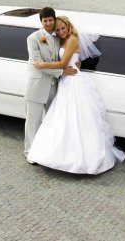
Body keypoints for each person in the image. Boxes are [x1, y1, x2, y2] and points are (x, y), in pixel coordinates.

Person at [27, 16, 125, 174]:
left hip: (74, 81)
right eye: (58, 29)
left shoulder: (72, 39)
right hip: (65, 80)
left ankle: (79, 157)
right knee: (63, 116)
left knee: (76, 117)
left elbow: (62, 63)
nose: (61, 31)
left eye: (63, 28)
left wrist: (42, 64)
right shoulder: (61, 40)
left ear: (69, 27)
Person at [23, 8, 78, 158]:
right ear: (41, 22)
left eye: (50, 20)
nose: (48, 23)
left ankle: (47, 150)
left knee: (52, 120)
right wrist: (62, 72)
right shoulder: (33, 38)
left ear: (54, 20)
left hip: (54, 86)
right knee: (33, 122)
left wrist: (76, 62)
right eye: (45, 20)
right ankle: (30, 152)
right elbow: (38, 64)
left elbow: (67, 54)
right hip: (37, 85)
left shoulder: (59, 36)